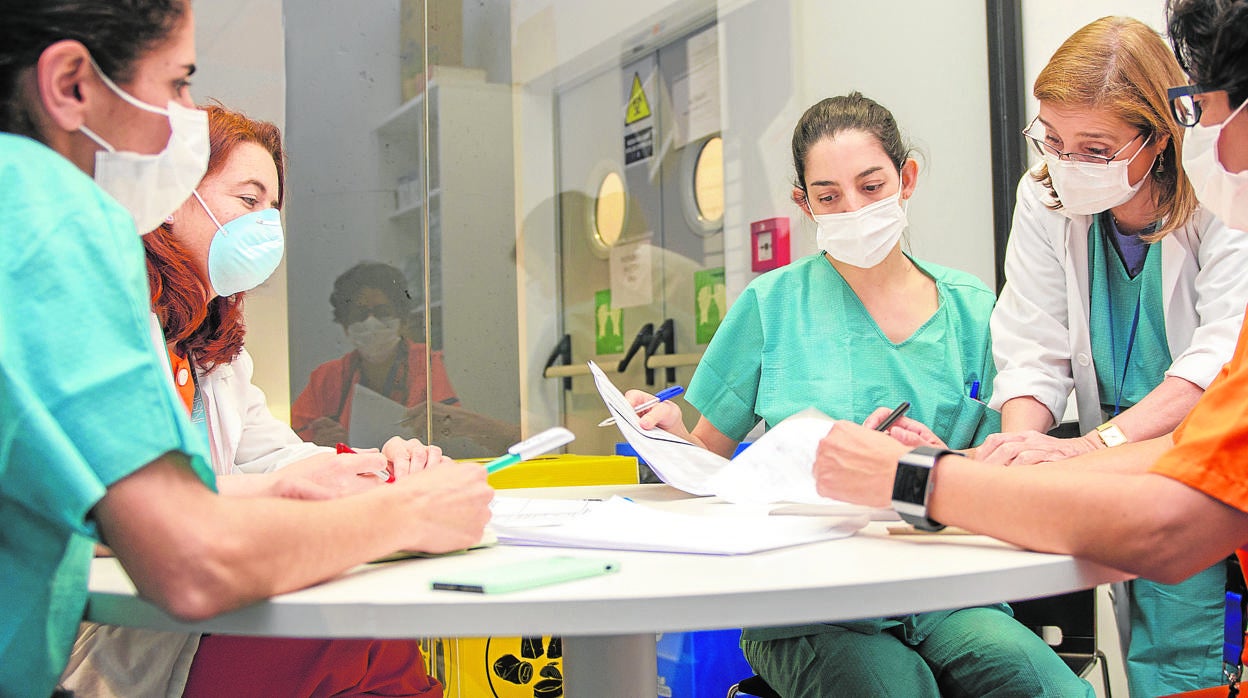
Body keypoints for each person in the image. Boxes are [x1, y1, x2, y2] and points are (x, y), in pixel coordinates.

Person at [0, 3, 492, 696]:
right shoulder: (52, 217)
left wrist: (358, 472)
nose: (185, 117)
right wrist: (408, 513)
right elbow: (190, 557)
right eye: (176, 83)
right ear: (72, 84)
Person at [812, 0, 1248, 692]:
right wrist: (1015, 455)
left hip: (1184, 469)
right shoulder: (1047, 197)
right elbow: (1032, 345)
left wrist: (938, 478)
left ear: (1161, 136)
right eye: (1052, 141)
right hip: (1143, 471)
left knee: (1165, 661)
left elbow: (1211, 377)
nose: (1066, 165)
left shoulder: (1224, 203)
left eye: (1096, 150)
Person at [635, 93, 1091, 696]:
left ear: (907, 179)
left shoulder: (974, 309)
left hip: (944, 593)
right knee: (892, 687)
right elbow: (704, 463)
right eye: (828, 196)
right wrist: (669, 442)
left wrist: (941, 465)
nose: (852, 208)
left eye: (871, 186)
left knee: (1043, 687)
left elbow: (1000, 475)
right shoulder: (771, 308)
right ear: (804, 203)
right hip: (806, 604)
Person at [60, 104, 447, 696]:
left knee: (378, 637)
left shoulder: (217, 355)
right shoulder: (103, 319)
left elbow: (278, 458)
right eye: (248, 200)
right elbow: (107, 498)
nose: (267, 225)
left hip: (203, 604)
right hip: (124, 629)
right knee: (342, 629)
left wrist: (384, 467)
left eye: (273, 208)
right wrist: (294, 490)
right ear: (169, 196)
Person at [292, 261, 459, 447]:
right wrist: (317, 444)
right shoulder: (326, 377)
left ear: (403, 321)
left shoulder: (427, 364)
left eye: (382, 312)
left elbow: (450, 437)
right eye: (360, 314)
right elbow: (291, 442)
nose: (371, 323)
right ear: (346, 326)